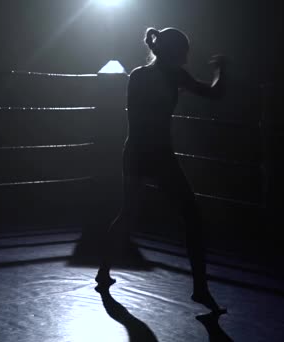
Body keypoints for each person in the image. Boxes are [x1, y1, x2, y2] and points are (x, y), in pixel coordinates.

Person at [94, 27, 227, 314]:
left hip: (137, 151)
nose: (185, 58)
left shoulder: (140, 76)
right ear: (176, 53)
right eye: (183, 53)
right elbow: (214, 94)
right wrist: (221, 70)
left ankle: (103, 272)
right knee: (190, 216)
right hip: (157, 153)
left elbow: (140, 117)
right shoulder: (173, 75)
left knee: (128, 213)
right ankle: (201, 289)